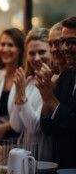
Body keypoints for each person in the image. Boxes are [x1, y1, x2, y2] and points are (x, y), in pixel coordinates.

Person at [36, 17, 76, 168]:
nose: (64, 48)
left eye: (72, 42)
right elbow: (48, 129)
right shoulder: (66, 77)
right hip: (59, 165)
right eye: (63, 41)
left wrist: (51, 100)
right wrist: (46, 99)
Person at [9, 28, 52, 161]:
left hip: (45, 156)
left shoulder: (54, 81)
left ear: (51, 51)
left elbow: (34, 126)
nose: (36, 58)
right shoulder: (28, 81)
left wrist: (22, 96)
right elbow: (16, 126)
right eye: (31, 53)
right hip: (26, 154)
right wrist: (20, 94)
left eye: (42, 52)